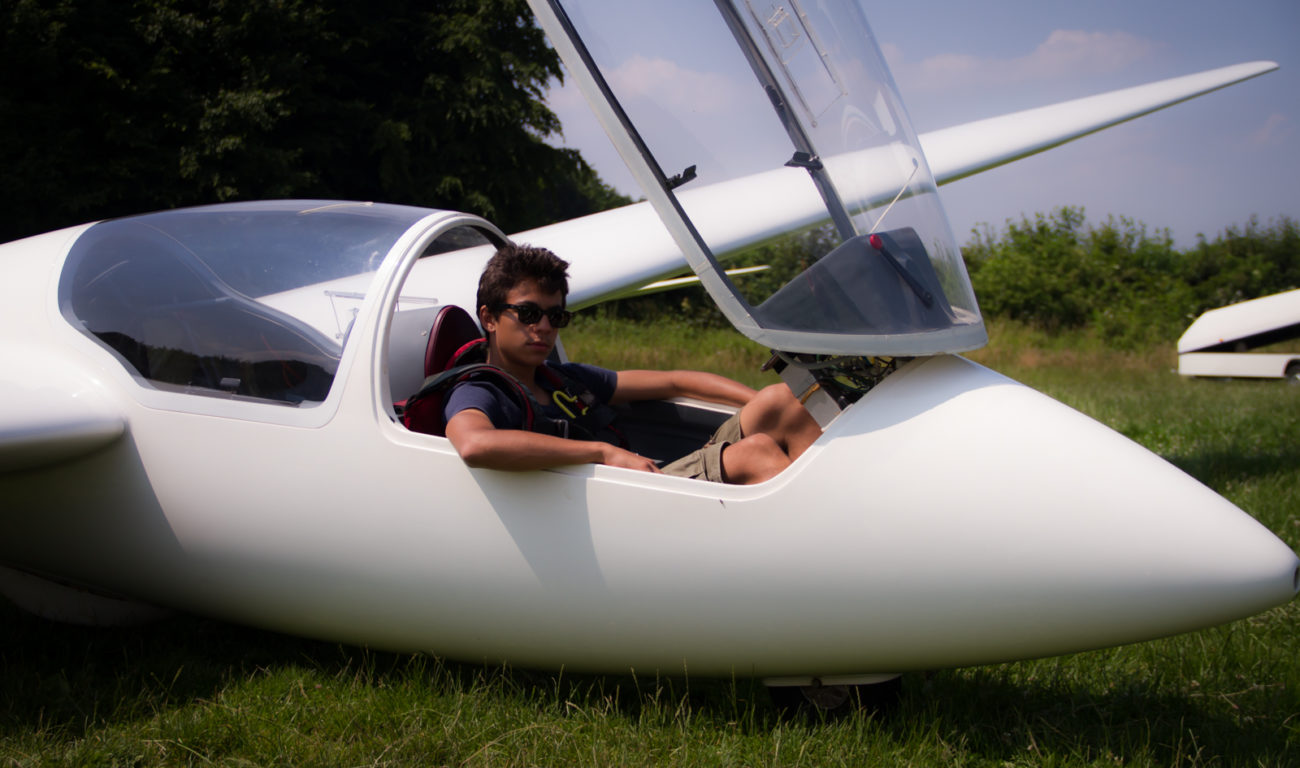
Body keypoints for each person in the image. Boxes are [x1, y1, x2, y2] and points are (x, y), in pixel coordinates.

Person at [443, 244, 821, 484]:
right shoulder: (480, 391)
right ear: (489, 318)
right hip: (614, 503)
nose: (543, 326)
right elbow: (474, 444)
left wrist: (758, 399)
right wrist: (603, 452)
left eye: (555, 316)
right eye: (527, 313)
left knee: (782, 401)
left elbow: (675, 382)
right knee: (755, 452)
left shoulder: (564, 379)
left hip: (647, 478)